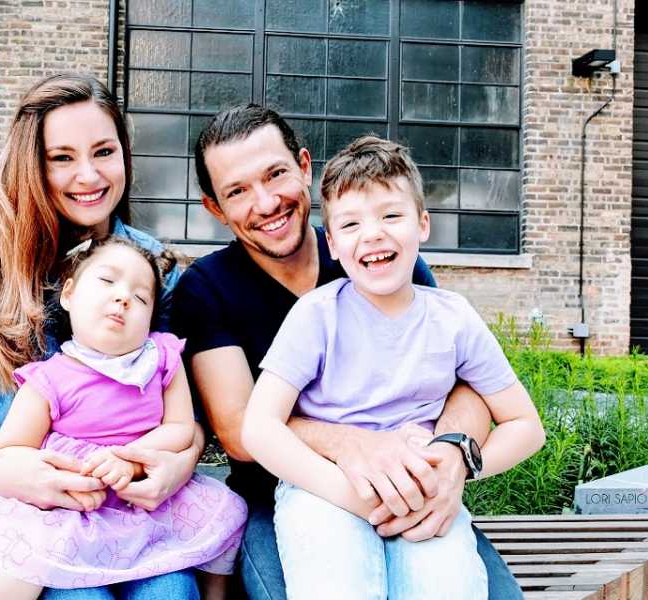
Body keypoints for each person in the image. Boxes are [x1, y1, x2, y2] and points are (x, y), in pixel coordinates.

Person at [170, 104, 526, 600]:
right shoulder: (206, 289)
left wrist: (452, 460)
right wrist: (354, 444)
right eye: (237, 191)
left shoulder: (382, 260)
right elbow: (240, 432)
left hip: (410, 483)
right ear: (215, 208)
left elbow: (466, 385)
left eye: (276, 174)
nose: (267, 201)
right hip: (284, 497)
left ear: (304, 166)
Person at [0, 74, 205, 600]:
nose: (88, 175)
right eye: (62, 157)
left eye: (103, 152)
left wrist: (177, 465)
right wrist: (3, 474)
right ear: (33, 163)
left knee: (172, 594)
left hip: (124, 504)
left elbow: (182, 413)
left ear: (125, 156)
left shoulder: (151, 269)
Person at [0, 236, 247, 600]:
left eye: (141, 297)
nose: (123, 297)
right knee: (9, 562)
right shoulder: (49, 378)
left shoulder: (162, 359)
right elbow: (10, 448)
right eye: (107, 281)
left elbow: (178, 428)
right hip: (74, 505)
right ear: (68, 295)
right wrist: (62, 472)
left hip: (141, 501)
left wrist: (128, 457)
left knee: (225, 513)